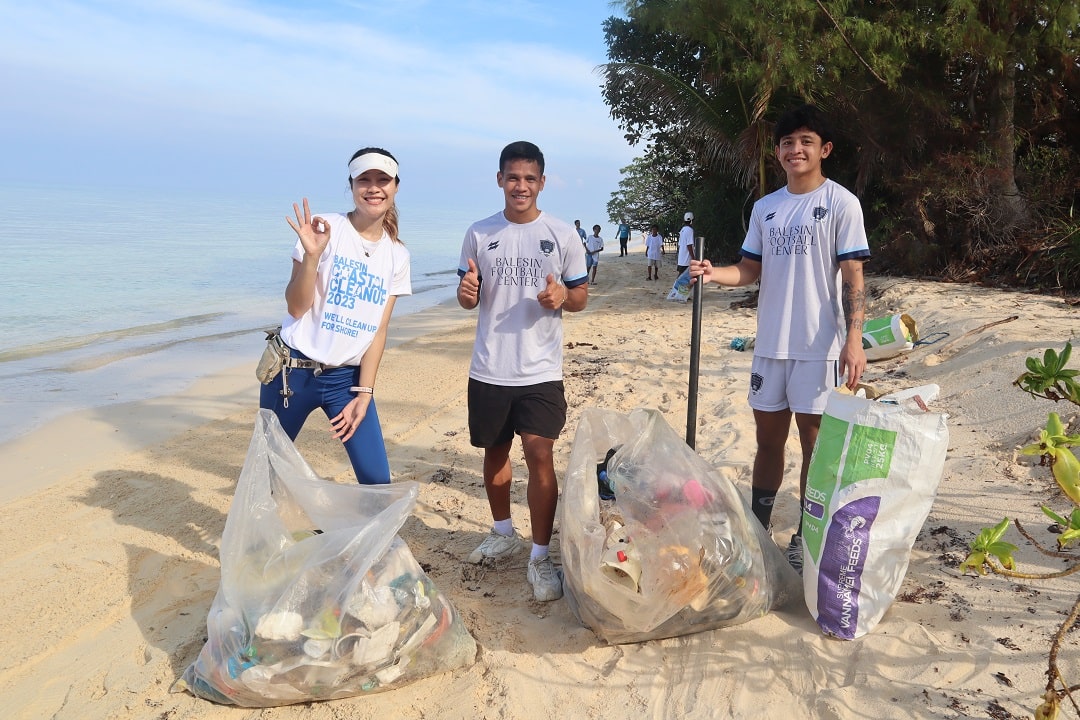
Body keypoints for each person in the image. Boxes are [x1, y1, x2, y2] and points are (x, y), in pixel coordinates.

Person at [689, 104, 869, 573]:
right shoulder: (766, 208)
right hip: (770, 345)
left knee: (814, 444)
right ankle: (758, 527)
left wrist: (855, 338)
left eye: (806, 142)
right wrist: (714, 273)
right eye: (788, 143)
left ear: (824, 150)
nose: (796, 150)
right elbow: (749, 269)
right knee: (768, 440)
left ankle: (805, 536)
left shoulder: (841, 203)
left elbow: (853, 272)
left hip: (820, 347)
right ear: (778, 151)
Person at [456, 140, 589, 602]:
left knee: (538, 454)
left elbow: (579, 297)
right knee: (494, 454)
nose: (521, 186)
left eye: (530, 179)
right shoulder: (479, 233)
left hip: (540, 369)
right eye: (513, 177)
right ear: (500, 180)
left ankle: (539, 555)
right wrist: (468, 293)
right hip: (490, 366)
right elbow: (466, 294)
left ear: (542, 183)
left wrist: (561, 299)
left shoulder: (561, 234)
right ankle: (501, 530)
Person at [260, 147, 411, 485]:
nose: (374, 188)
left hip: (346, 380)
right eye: (364, 180)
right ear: (352, 185)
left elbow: (379, 330)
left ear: (396, 187)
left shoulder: (397, 255)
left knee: (377, 482)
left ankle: (373, 540)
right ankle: (265, 538)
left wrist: (365, 392)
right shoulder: (325, 229)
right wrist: (312, 255)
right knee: (266, 471)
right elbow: (296, 307)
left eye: (382, 180)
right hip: (291, 373)